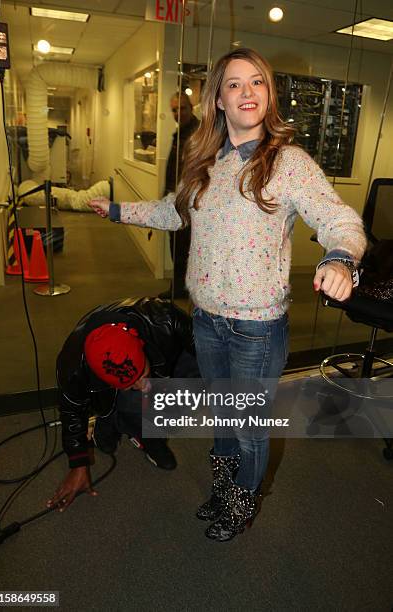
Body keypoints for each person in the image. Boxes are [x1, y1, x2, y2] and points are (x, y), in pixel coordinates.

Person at [88, 48, 367, 541]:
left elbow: (338, 218)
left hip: (256, 331)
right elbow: (172, 213)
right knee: (224, 418)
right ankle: (224, 490)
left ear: (269, 94)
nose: (247, 92)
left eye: (257, 82)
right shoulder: (206, 164)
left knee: (248, 427)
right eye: (234, 84)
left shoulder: (287, 163)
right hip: (207, 321)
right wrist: (115, 210)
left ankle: (241, 503)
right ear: (217, 98)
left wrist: (340, 257)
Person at [47, 297, 197, 513]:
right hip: (109, 392)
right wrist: (78, 464)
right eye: (130, 384)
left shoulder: (165, 319)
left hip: (167, 352)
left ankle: (130, 418)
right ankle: (115, 421)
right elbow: (71, 412)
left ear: (140, 345)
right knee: (136, 409)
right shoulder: (72, 367)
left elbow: (211, 355)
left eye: (142, 373)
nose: (143, 386)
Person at [160, 92, 199, 299]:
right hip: (174, 199)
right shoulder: (180, 133)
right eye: (174, 109)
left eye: (182, 108)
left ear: (191, 107)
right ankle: (179, 287)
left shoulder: (198, 133)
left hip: (188, 202)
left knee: (185, 248)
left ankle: (185, 289)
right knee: (177, 246)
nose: (178, 113)